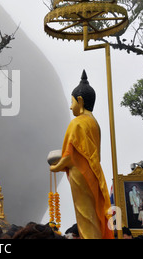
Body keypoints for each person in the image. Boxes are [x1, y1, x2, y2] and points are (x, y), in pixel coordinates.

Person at [50, 70, 113, 239]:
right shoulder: (95, 123)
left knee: (85, 215)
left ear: (80, 101)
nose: (71, 107)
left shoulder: (77, 123)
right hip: (94, 174)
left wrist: (56, 166)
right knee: (94, 214)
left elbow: (69, 156)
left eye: (72, 102)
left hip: (81, 173)